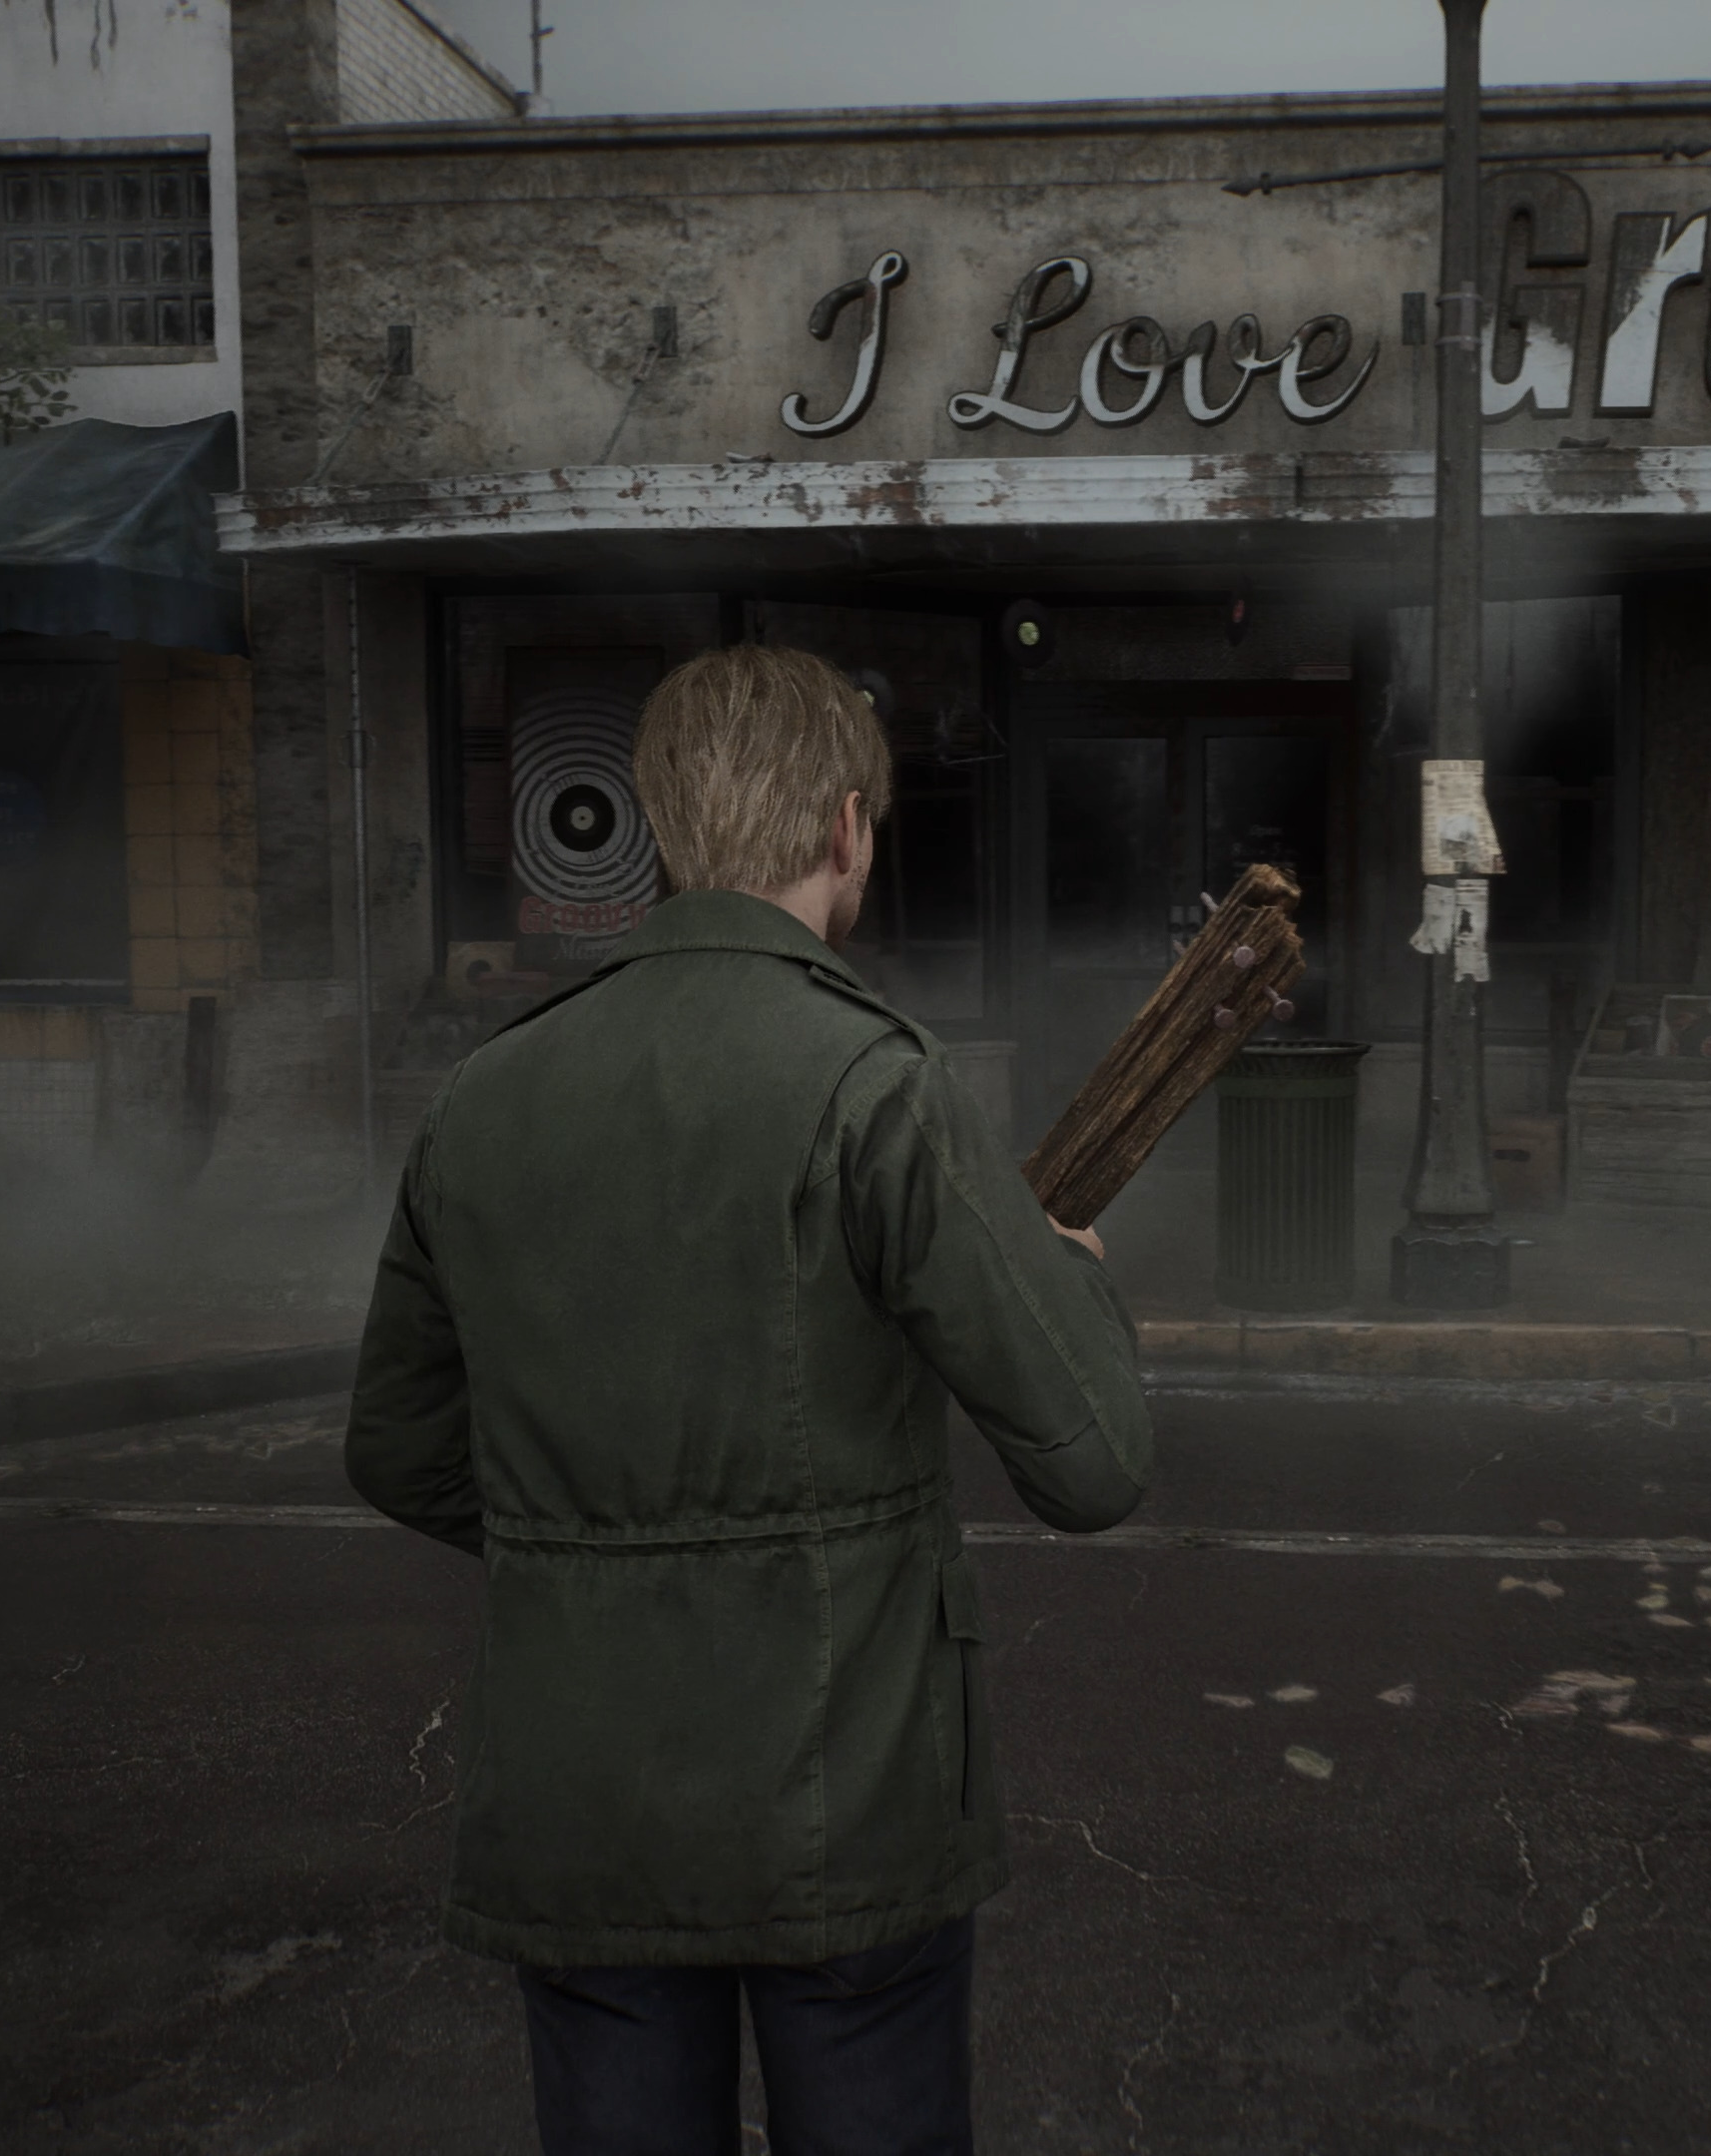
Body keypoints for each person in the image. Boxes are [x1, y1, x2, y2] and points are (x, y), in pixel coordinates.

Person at [345, 645, 1151, 2156]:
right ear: (847, 828)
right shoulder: (879, 1083)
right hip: (846, 1788)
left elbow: (394, 1448)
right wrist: (1074, 1270)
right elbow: (1094, 1461)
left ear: (658, 827)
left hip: (582, 1803)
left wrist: (582, 1548)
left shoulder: (483, 1097)